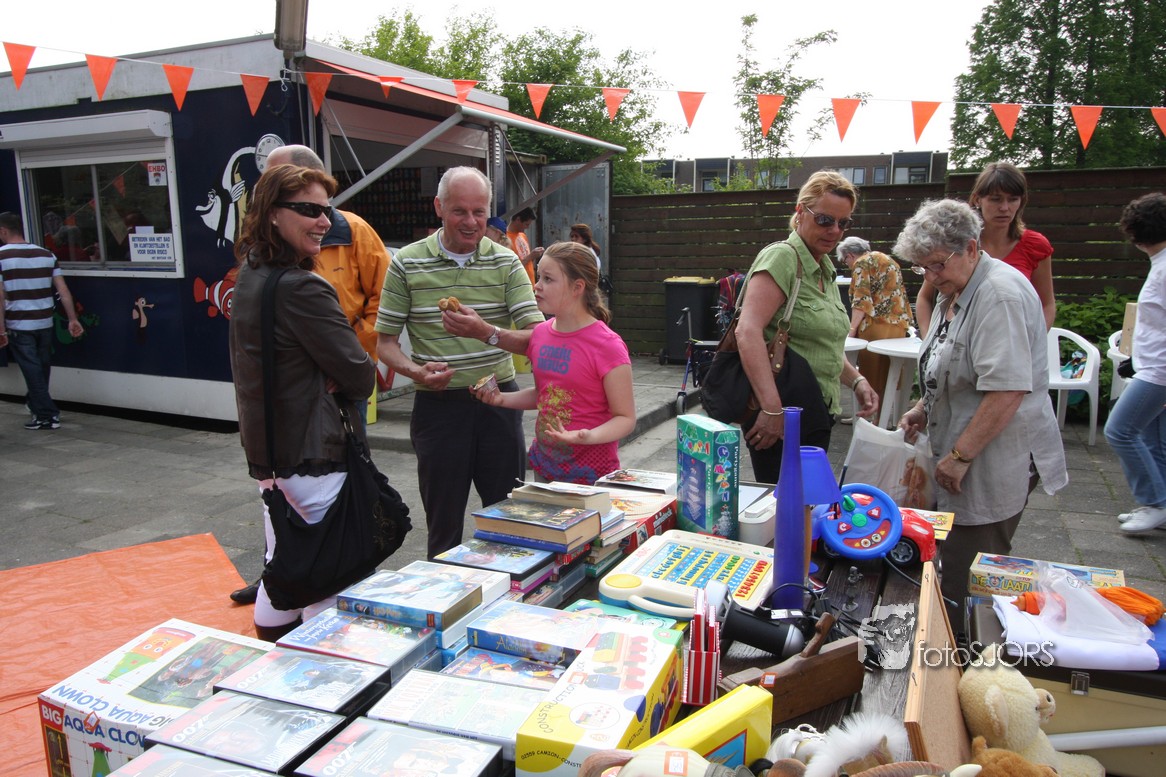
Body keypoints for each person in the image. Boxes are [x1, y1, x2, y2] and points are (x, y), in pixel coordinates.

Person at [229, 144, 391, 607]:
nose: (323, 220)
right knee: (329, 585)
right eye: (309, 210)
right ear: (272, 211)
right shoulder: (301, 284)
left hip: (270, 451)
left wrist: (338, 357)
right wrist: (340, 366)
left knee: (286, 561)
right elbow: (359, 377)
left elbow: (381, 297)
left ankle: (273, 627)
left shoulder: (252, 270)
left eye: (325, 210)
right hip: (313, 450)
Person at [894, 199, 1067, 625]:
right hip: (967, 449)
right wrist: (922, 407)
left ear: (971, 248)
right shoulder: (956, 287)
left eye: (937, 264)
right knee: (950, 563)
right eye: (922, 268)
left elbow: (1007, 389)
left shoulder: (999, 296)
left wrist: (960, 455)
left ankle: (966, 656)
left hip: (992, 457)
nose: (931, 277)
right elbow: (951, 362)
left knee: (967, 578)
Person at [375, 167, 544, 558]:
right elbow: (384, 344)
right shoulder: (407, 263)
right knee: (443, 526)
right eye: (459, 211)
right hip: (438, 408)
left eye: (479, 212)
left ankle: (508, 591)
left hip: (499, 403)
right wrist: (415, 371)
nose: (471, 222)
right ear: (439, 207)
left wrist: (486, 332)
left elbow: (538, 338)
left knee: (508, 520)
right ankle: (446, 591)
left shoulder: (506, 262)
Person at [734, 171, 879, 483]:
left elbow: (819, 346)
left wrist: (855, 380)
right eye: (825, 220)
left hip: (816, 408)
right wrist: (772, 410)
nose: (834, 230)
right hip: (784, 411)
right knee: (785, 503)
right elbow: (747, 331)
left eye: (843, 223)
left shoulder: (823, 267)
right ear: (800, 212)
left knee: (806, 501)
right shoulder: (782, 258)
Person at [471, 241, 634, 483]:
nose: (536, 286)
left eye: (548, 279)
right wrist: (500, 399)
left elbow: (625, 418)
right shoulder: (540, 334)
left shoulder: (607, 345)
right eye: (539, 277)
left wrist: (587, 436)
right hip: (545, 467)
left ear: (577, 287)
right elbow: (544, 394)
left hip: (591, 474)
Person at [916, 162, 1056, 336]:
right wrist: (930, 341)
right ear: (977, 199)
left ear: (1022, 201)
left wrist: (1030, 340)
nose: (1004, 208)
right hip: (959, 342)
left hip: (1015, 341)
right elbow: (925, 298)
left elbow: (1046, 304)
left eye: (1013, 199)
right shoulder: (958, 243)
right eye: (995, 199)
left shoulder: (1035, 245)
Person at [1108, 192, 1166, 534]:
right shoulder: (1160, 263)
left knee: (1119, 430)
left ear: (1134, 233)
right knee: (1152, 438)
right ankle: (1161, 505)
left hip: (1159, 373)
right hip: (1152, 367)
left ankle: (1154, 503)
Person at [0, 211, 85, 430]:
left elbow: (0, 295)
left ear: (3, 231)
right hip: (45, 321)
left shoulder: (1, 257)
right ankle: (35, 404)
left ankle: (47, 415)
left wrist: (1, 329)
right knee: (41, 367)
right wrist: (72, 319)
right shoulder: (47, 254)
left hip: (19, 323)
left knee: (32, 369)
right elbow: (63, 290)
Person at [836, 236, 913, 407]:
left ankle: (867, 414)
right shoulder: (889, 260)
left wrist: (851, 331)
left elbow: (861, 301)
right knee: (889, 375)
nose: (847, 265)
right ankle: (883, 417)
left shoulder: (862, 263)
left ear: (849, 255)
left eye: (844, 261)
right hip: (898, 324)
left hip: (876, 325)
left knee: (871, 375)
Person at [508, 207, 537, 284]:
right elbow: (511, 267)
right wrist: (530, 256)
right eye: (526, 224)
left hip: (530, 283)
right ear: (518, 219)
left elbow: (527, 260)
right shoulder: (505, 239)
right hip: (518, 284)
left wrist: (533, 256)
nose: (527, 227)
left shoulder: (523, 235)